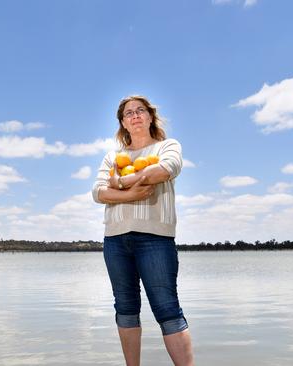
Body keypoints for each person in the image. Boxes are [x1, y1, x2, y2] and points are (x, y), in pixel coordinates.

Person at [92, 95, 194, 366]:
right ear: (123, 123)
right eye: (128, 113)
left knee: (167, 309)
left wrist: (123, 181)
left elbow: (165, 170)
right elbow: (98, 192)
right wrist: (130, 193)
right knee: (125, 309)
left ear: (150, 116)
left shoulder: (166, 146)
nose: (135, 115)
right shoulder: (113, 156)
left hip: (155, 240)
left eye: (140, 111)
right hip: (115, 240)